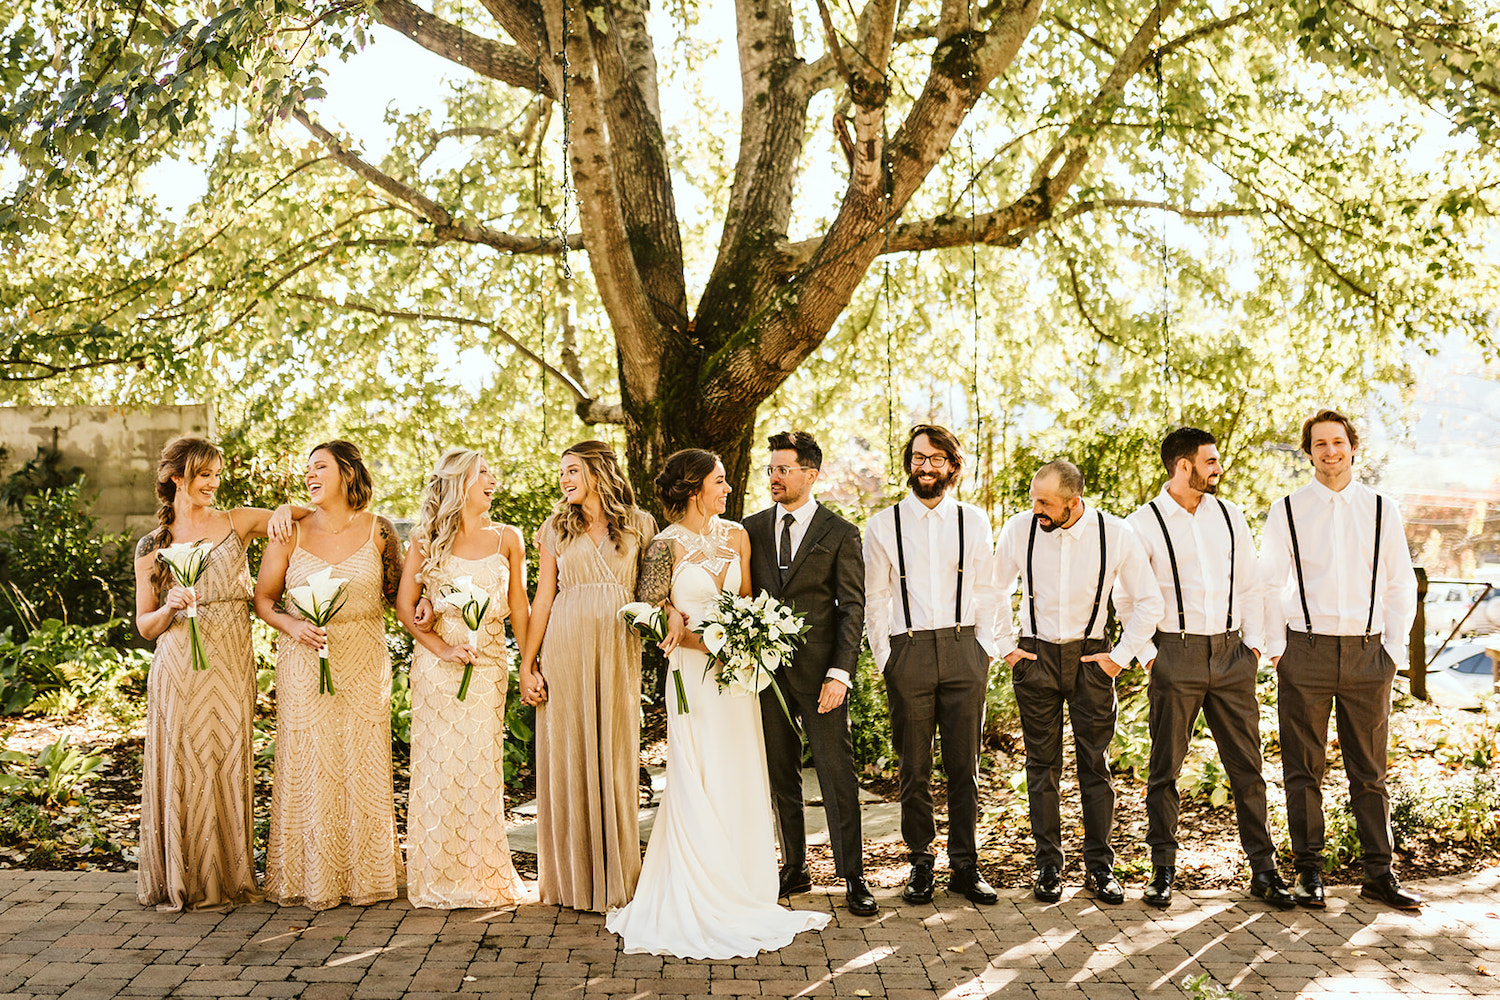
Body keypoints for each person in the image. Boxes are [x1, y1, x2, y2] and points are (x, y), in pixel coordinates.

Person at [606, 449, 830, 958]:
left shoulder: (737, 536)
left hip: (736, 680)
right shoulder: (664, 545)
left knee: (738, 772)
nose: (728, 489)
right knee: (696, 773)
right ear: (692, 488)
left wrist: (747, 643)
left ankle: (745, 888)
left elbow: (749, 602)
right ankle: (696, 889)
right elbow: (648, 612)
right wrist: (694, 638)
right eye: (719, 481)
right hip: (692, 675)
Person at [1125, 428, 1294, 910]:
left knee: (1248, 768)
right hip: (1174, 655)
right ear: (1184, 466)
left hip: (1232, 655)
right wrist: (1151, 657)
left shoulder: (1230, 515)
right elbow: (1128, 598)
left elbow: (1254, 586)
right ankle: (1162, 870)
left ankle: (1264, 869)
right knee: (1165, 769)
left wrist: (1256, 648)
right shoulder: (1143, 523)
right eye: (1211, 461)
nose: (1218, 468)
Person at [134, 437, 303, 912]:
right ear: (176, 479)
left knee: (228, 757)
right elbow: (145, 626)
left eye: (215, 475)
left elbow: (303, 515)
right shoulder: (153, 545)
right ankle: (185, 878)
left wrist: (286, 507)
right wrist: (169, 604)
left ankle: (228, 877)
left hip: (231, 658)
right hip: (178, 663)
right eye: (203, 474)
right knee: (184, 761)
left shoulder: (237, 522)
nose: (212, 483)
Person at [1261, 410, 1421, 910]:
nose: (1330, 451)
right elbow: (1268, 583)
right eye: (1319, 444)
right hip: (1303, 651)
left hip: (1367, 654)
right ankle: (1309, 873)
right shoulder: (1286, 509)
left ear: (1353, 447)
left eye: (1338, 442)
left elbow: (1401, 583)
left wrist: (1392, 651)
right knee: (1302, 769)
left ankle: (1379, 874)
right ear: (1308, 452)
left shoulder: (1381, 510)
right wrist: (1276, 648)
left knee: (1369, 771)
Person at [992, 460, 1162, 905]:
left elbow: (1149, 601)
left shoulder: (1117, 534)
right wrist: (1006, 647)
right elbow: (989, 591)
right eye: (1033, 499)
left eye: (1044, 502)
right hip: (1035, 658)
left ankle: (1100, 868)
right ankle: (1048, 867)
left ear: (1072, 501)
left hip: (1091, 659)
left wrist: (1120, 658)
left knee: (1095, 766)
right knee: (1041, 766)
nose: (1036, 509)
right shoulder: (1019, 529)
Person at [253, 440, 404, 910]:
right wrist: (295, 625)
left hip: (363, 655)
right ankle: (311, 878)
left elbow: (400, 594)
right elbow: (262, 601)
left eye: (320, 466)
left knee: (362, 762)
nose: (310, 475)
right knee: (313, 763)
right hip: (304, 658)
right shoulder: (289, 531)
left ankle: (368, 875)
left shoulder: (380, 531)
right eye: (306, 470)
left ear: (347, 472)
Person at [864, 425, 1001, 905]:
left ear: (952, 466)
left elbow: (989, 589)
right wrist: (888, 658)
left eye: (936, 459)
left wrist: (985, 649)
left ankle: (966, 864)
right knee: (913, 766)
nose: (926, 467)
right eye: (919, 457)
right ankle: (921, 863)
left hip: (966, 650)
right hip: (910, 652)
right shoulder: (883, 525)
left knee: (965, 767)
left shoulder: (975, 520)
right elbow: (875, 597)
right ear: (909, 463)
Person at [517, 440, 656, 912]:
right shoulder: (554, 528)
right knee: (570, 752)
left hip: (618, 649)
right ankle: (571, 880)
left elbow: (651, 592)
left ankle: (617, 877)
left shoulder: (641, 524)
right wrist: (527, 663)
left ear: (598, 471)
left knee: (616, 752)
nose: (564, 479)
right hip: (566, 647)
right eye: (562, 472)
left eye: (573, 470)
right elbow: (543, 599)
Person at [743, 431, 875, 916]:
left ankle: (853, 874)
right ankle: (794, 865)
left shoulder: (840, 532)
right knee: (781, 775)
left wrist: (840, 673)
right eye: (771, 469)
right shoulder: (750, 528)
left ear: (810, 474)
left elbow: (851, 608)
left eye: (783, 469)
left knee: (838, 773)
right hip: (765, 675)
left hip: (823, 676)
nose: (774, 477)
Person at [396, 449, 530, 908]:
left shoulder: (508, 538)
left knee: (481, 768)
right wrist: (443, 647)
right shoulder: (427, 538)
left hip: (490, 665)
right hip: (437, 668)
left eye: (493, 471)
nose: (493, 479)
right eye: (483, 473)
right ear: (459, 483)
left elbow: (521, 610)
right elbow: (405, 608)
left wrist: (528, 664)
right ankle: (438, 875)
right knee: (437, 768)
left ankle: (482, 875)